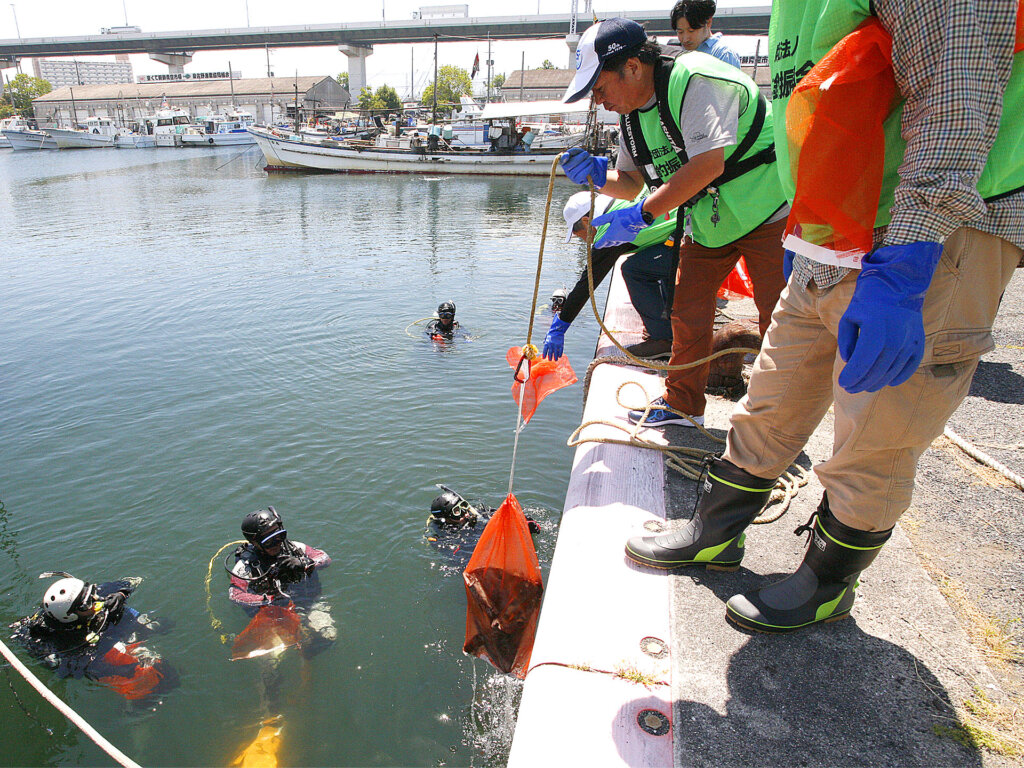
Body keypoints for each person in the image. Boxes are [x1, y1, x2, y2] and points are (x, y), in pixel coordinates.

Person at [625, 0, 1023, 633]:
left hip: (926, 231)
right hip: (830, 226)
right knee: (773, 393)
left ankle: (828, 582)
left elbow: (957, 89)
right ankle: (716, 531)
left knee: (879, 431)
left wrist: (908, 259)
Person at [560, 18, 787, 428]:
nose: (598, 101)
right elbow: (630, 185)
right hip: (709, 219)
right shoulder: (630, 115)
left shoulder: (695, 78)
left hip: (766, 205)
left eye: (599, 88)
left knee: (780, 314)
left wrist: (644, 215)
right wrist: (598, 175)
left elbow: (707, 164)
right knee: (687, 309)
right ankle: (683, 406)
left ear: (631, 66)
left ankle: (779, 420)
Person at [543, 190, 679, 361]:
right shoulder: (623, 199)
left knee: (634, 270)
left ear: (586, 221)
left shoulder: (609, 231)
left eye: (580, 236)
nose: (585, 241)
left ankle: (663, 340)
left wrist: (560, 326)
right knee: (650, 262)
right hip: (692, 231)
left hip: (689, 241)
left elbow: (587, 284)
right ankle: (671, 328)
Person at [10, 573, 175, 702]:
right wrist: (116, 669)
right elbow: (77, 668)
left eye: (92, 593)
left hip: (108, 634)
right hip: (98, 652)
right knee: (146, 679)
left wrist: (121, 594)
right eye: (88, 603)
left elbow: (129, 583)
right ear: (71, 617)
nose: (96, 600)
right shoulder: (64, 643)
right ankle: (140, 710)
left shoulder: (85, 597)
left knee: (164, 627)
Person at [228, 506, 335, 651]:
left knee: (329, 635)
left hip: (308, 602)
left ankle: (307, 651)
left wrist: (305, 563)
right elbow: (235, 595)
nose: (277, 543)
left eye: (280, 536)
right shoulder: (246, 566)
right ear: (255, 543)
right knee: (273, 656)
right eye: (269, 541)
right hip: (274, 614)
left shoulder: (295, 548)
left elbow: (325, 558)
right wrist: (268, 600)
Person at [427, 487, 540, 568]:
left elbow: (499, 515)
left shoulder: (475, 514)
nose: (465, 514)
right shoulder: (443, 535)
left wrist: (523, 521)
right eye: (457, 512)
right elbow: (458, 560)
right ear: (446, 518)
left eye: (463, 507)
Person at [670, 0, 742, 68]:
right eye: (680, 32)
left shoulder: (724, 54)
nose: (685, 39)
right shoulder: (676, 51)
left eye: (691, 31)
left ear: (708, 22)